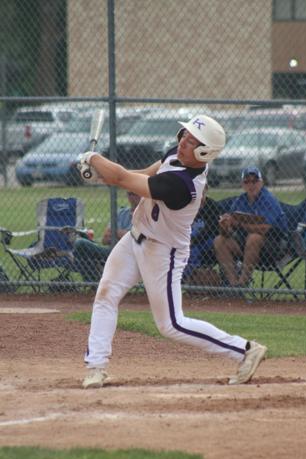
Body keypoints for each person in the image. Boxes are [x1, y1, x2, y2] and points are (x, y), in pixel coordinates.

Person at [77, 115, 267, 389]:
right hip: (135, 238)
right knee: (106, 294)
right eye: (184, 136)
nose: (183, 143)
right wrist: (106, 176)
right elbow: (140, 175)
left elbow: (124, 177)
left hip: (162, 252)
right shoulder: (175, 154)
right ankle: (96, 366)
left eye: (192, 142)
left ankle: (245, 350)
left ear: (205, 152)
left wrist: (94, 158)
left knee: (171, 324)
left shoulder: (184, 186)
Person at [214, 166, 288, 288]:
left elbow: (266, 228)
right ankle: (233, 285)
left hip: (274, 248)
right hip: (246, 247)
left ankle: (243, 283)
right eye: (247, 181)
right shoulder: (240, 201)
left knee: (254, 237)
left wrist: (238, 224)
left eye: (254, 181)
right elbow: (228, 233)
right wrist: (225, 226)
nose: (251, 185)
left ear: (261, 182)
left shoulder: (268, 199)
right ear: (242, 184)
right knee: (219, 240)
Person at [73, 191, 140, 282]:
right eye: (129, 194)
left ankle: (97, 282)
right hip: (111, 250)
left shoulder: (146, 215)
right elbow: (105, 239)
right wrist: (124, 234)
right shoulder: (121, 213)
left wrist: (115, 232)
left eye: (135, 193)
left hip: (130, 254)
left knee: (81, 244)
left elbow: (135, 239)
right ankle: (94, 282)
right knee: (80, 243)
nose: (132, 197)